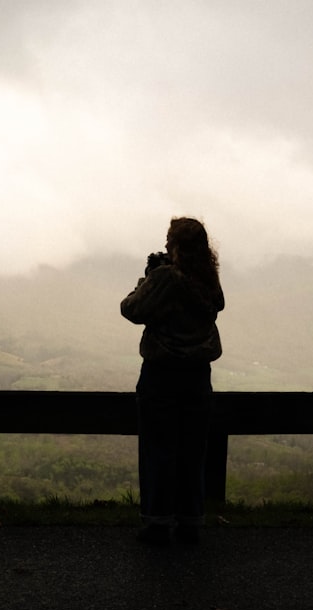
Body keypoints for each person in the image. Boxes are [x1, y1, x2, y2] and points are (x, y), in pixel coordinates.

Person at [120, 217, 224, 546]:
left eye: (169, 239)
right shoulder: (208, 279)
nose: (165, 245)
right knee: (193, 450)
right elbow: (217, 305)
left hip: (162, 374)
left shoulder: (165, 278)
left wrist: (147, 279)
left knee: (158, 448)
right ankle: (190, 522)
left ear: (176, 245)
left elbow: (132, 309)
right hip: (198, 375)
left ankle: (157, 523)